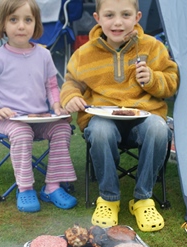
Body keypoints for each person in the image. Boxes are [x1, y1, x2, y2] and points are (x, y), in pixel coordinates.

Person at [60, 0, 179, 232]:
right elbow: (70, 83)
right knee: (100, 130)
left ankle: (143, 198)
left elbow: (171, 82)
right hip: (102, 119)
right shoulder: (84, 54)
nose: (117, 22)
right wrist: (70, 97)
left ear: (137, 17)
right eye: (110, 15)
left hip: (145, 118)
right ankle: (109, 198)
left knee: (158, 128)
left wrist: (153, 79)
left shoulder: (153, 47)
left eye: (125, 15)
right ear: (97, 18)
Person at [0, 0, 77, 213]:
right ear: (3, 24)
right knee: (21, 133)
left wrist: (57, 105)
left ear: (36, 24)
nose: (21, 26)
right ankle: (25, 188)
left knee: (62, 128)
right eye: (14, 19)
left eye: (27, 20)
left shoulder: (44, 55)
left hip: (39, 117)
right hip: (9, 120)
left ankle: (52, 186)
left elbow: (51, 86)